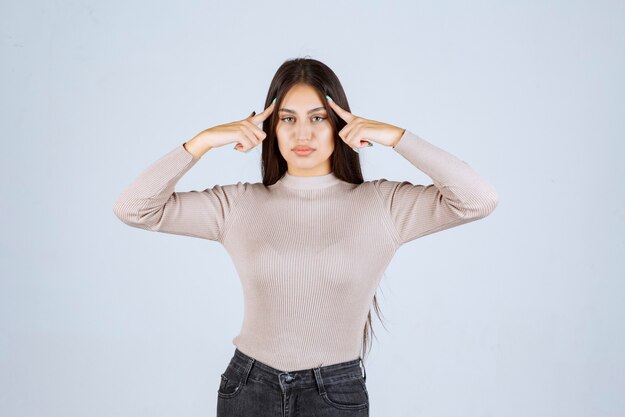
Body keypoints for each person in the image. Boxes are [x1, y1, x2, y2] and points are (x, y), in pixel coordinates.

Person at [112, 58, 499, 416]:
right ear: (271, 127)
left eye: (318, 117)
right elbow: (135, 208)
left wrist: (396, 137)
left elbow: (477, 200)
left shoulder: (384, 205)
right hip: (248, 388)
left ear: (340, 124)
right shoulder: (238, 204)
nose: (303, 133)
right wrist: (202, 141)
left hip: (334, 393)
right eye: (287, 119)